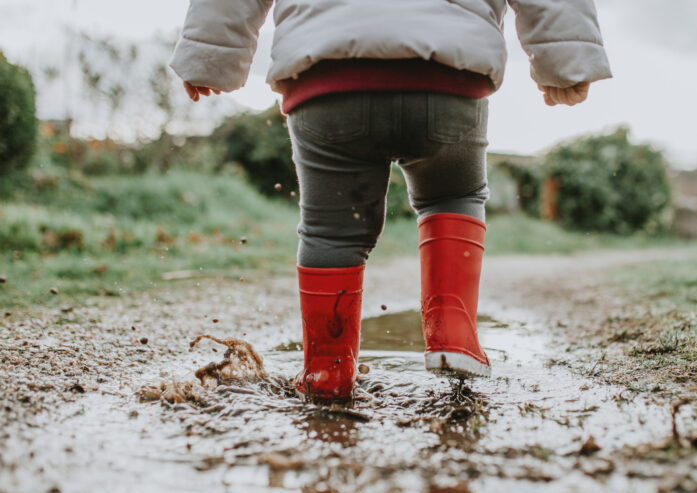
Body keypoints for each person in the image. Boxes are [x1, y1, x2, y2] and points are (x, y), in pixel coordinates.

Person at [171, 0, 612, 402]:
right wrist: (566, 61)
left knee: (331, 230)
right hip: (449, 76)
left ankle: (327, 368)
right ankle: (453, 336)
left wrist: (210, 56)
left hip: (326, 77)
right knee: (453, 195)